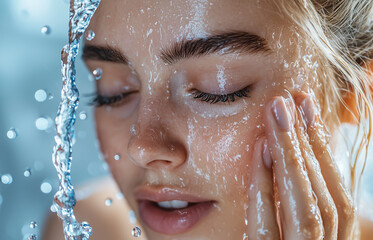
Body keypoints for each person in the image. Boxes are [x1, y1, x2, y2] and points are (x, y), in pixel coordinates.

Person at [43, 0, 373, 239]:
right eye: (114, 91)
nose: (142, 146)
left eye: (218, 88)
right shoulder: (92, 227)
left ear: (357, 94)